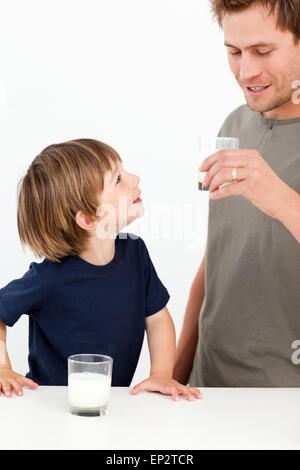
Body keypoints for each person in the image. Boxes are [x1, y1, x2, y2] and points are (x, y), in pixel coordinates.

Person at [0, 138, 202, 402]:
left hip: (109, 404)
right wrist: (3, 367)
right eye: (118, 179)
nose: (135, 178)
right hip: (51, 405)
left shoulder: (135, 253)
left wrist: (162, 373)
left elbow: (157, 318)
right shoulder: (49, 277)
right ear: (88, 218)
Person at [174, 0, 300, 387]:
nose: (246, 71)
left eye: (263, 51)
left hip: (281, 399)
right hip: (207, 384)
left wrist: (279, 198)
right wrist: (172, 374)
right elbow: (217, 258)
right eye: (234, 52)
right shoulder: (235, 122)